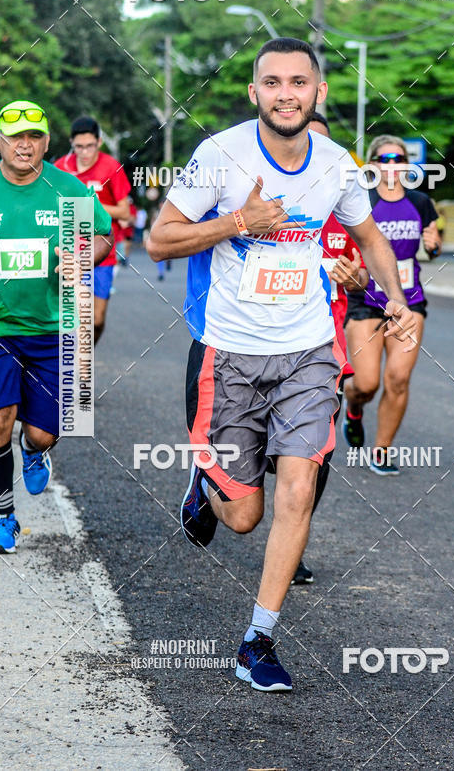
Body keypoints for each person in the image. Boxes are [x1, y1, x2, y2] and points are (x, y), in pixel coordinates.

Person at [147, 38, 416, 692]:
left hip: (307, 354)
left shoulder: (335, 163)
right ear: (255, 93)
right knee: (244, 515)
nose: (287, 92)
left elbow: (370, 233)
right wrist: (239, 220)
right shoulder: (220, 156)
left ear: (318, 92)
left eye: (300, 81)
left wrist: (398, 298)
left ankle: (257, 640)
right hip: (230, 352)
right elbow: (160, 237)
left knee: (300, 487)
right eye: (273, 82)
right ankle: (204, 481)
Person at [0, 100, 112, 553]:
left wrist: (81, 255)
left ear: (46, 142)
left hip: (55, 327)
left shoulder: (69, 190)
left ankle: (35, 448)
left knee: (43, 431)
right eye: (15, 135)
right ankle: (5, 518)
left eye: (35, 136)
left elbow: (102, 236)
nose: (25, 144)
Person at [291, 112, 369, 585]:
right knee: (251, 454)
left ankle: (294, 537)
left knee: (316, 450)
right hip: (257, 342)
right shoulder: (261, 201)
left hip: (324, 343)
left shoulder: (345, 211)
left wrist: (352, 276)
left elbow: (363, 279)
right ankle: (213, 477)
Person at [343, 134, 441, 475]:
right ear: (371, 165)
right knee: (366, 383)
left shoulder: (420, 202)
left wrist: (434, 244)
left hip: (409, 301)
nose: (392, 166)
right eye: (384, 160)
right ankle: (353, 407)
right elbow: (346, 245)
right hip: (367, 300)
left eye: (398, 159)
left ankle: (381, 451)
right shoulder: (361, 201)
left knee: (398, 378)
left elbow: (430, 247)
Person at [55, 117, 131, 343]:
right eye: (79, 146)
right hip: (67, 252)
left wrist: (88, 205)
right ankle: (75, 361)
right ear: (72, 143)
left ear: (99, 142)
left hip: (102, 252)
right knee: (73, 318)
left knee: (96, 320)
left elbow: (125, 212)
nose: (85, 152)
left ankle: (87, 351)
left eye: (90, 146)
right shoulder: (60, 167)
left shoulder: (110, 167)